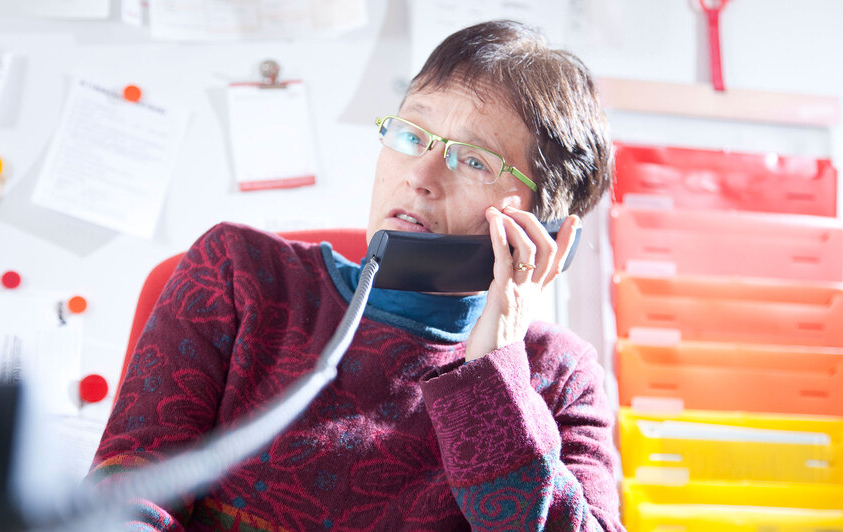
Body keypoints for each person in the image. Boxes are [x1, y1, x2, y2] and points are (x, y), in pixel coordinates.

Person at [88, 19, 620, 531]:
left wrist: (491, 375)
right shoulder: (240, 274)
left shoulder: (561, 377)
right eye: (412, 134)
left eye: (474, 160)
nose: (418, 176)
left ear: (547, 231)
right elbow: (125, 496)